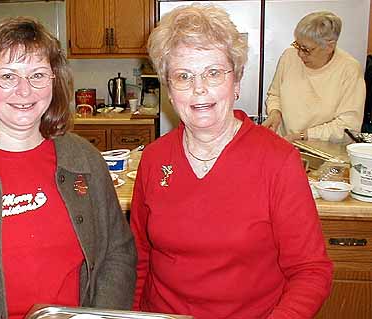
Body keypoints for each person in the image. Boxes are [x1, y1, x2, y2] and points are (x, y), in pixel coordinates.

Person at [0, 16, 136, 319]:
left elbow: (118, 253)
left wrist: (98, 316)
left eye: (37, 75)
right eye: (8, 76)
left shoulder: (84, 159)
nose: (25, 91)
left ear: (53, 79)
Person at [130, 4, 332, 319]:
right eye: (183, 76)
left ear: (236, 82)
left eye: (213, 72)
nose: (199, 88)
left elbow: (310, 270)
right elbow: (140, 257)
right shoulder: (155, 159)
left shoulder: (278, 161)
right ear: (169, 90)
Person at [263, 11, 366, 142]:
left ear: (330, 46)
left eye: (306, 49)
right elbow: (275, 95)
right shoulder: (289, 56)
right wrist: (275, 112)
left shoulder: (349, 69)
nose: (300, 54)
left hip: (326, 153)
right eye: (298, 45)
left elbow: (348, 126)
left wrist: (304, 136)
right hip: (285, 144)